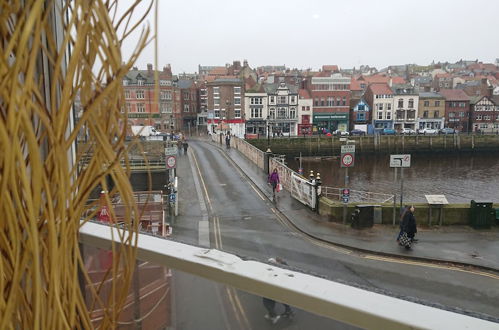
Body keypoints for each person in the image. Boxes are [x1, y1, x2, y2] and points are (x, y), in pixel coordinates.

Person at [262, 258, 294, 324]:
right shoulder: (283, 267)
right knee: (282, 300)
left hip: (274, 289)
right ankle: (288, 312)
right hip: (281, 288)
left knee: (267, 302)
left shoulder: (275, 271)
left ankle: (273, 315)